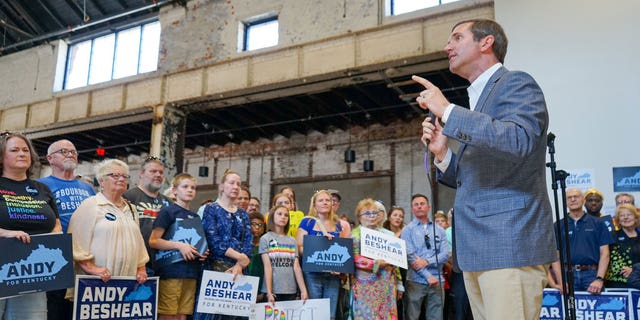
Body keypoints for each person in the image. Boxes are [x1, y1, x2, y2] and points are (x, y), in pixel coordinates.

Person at [416, 18, 556, 319]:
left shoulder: (517, 83)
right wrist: (443, 154)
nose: (446, 47)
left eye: (456, 37)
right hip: (478, 249)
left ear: (486, 42)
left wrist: (449, 111)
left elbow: (519, 140)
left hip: (509, 243)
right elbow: (475, 177)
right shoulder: (479, 102)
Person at [0, 132, 61, 320]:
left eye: (25, 150)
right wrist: (7, 233)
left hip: (31, 272)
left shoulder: (42, 189)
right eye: (14, 150)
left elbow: (56, 223)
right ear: (2, 156)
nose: (22, 154)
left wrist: (54, 236)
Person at [67, 159, 148, 290]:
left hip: (127, 281)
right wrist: (90, 267)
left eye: (124, 176)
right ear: (101, 181)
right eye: (115, 175)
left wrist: (141, 268)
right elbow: (75, 241)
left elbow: (138, 242)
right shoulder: (90, 205)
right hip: (95, 282)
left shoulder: (131, 209)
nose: (121, 179)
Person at [38, 139, 95, 320]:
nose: (70, 154)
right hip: (56, 255)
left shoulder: (87, 187)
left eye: (73, 151)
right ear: (50, 158)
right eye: (64, 151)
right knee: (55, 307)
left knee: (80, 308)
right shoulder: (40, 185)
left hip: (86, 255)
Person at [195, 169, 252, 320]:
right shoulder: (211, 209)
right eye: (231, 183)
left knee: (236, 314)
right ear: (222, 186)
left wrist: (239, 265)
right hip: (216, 268)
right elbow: (213, 240)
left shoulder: (243, 214)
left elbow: (248, 241)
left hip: (239, 271)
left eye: (238, 184)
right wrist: (240, 257)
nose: (235, 187)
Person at [149, 173, 207, 320]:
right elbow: (154, 241)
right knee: (168, 313)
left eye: (193, 188)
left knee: (183, 315)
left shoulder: (195, 217)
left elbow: (197, 243)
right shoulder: (168, 211)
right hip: (171, 271)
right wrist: (180, 246)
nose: (190, 190)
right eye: (185, 186)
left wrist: (202, 251)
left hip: (191, 272)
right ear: (174, 190)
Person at [296, 190, 351, 320]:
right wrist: (320, 245)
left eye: (328, 200)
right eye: (321, 200)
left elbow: (342, 252)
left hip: (332, 276)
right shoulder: (307, 222)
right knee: (314, 313)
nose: (325, 202)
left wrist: (340, 269)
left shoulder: (337, 225)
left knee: (330, 315)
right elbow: (299, 248)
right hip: (312, 274)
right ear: (314, 205)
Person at [551, 188, 613, 293]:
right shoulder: (558, 226)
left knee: (596, 309)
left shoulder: (598, 223)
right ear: (565, 203)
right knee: (569, 309)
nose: (573, 199)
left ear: (584, 200)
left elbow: (605, 253)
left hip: (592, 274)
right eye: (569, 198)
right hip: (567, 274)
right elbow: (555, 257)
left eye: (576, 196)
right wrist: (561, 281)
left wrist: (599, 278)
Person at [350, 198, 403, 319]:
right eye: (367, 213)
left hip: (385, 284)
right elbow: (354, 258)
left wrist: (399, 282)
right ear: (359, 216)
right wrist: (375, 263)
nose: (372, 216)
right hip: (364, 285)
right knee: (366, 314)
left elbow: (396, 258)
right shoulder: (354, 234)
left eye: (374, 213)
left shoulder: (386, 234)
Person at [401, 194, 450, 320]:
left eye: (422, 204)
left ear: (428, 207)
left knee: (436, 316)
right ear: (412, 209)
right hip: (415, 280)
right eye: (415, 205)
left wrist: (427, 261)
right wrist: (428, 276)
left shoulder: (439, 230)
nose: (419, 206)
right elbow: (410, 256)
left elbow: (445, 254)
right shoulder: (407, 230)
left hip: (438, 279)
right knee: (412, 316)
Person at [123, 156, 172, 276]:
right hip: (136, 264)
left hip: (163, 263)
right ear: (141, 174)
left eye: (161, 172)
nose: (158, 175)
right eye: (153, 171)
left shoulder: (169, 202)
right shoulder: (128, 196)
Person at [260, 205, 308, 303]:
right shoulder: (265, 239)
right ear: (272, 216)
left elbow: (296, 267)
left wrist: (303, 290)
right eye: (279, 214)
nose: (283, 217)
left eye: (286, 215)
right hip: (272, 290)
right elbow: (267, 266)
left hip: (290, 290)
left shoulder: (292, 241)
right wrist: (269, 292)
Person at [605, 204, 640, 288]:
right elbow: (609, 258)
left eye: (629, 214)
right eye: (622, 215)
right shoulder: (612, 236)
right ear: (618, 221)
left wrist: (635, 271)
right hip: (617, 283)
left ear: (635, 218)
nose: (626, 217)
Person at [247, 211, 266, 302]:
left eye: (260, 225)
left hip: (260, 290)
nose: (257, 227)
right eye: (253, 224)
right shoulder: (242, 246)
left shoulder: (265, 247)